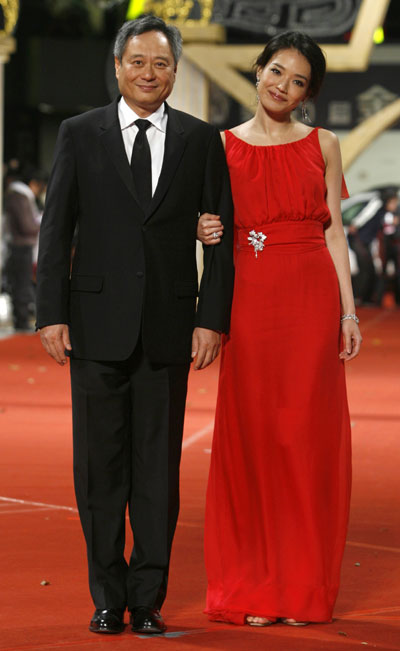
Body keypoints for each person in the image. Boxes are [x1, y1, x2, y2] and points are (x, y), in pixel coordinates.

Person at [36, 16, 234, 636]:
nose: (150, 74)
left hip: (169, 328)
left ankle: (147, 597)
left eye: (162, 64)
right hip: (94, 327)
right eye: (139, 62)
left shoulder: (203, 140)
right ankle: (105, 594)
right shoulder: (79, 132)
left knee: (156, 471)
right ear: (118, 66)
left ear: (176, 71)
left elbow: (219, 237)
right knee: (98, 471)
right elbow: (55, 229)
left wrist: (211, 320)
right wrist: (52, 312)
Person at [197, 31, 362, 626]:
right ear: (258, 69)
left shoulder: (325, 142)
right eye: (276, 72)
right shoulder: (220, 145)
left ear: (308, 92)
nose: (283, 87)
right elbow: (204, 219)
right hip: (249, 298)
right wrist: (204, 231)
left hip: (310, 298)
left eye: (298, 82)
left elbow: (336, 231)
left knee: (304, 441)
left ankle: (301, 585)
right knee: (255, 439)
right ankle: (255, 585)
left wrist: (348, 311)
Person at [4, 166, 47, 331]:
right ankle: (21, 323)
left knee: (22, 285)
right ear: (33, 183)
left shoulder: (18, 196)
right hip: (20, 247)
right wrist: (41, 224)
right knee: (21, 286)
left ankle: (21, 322)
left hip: (20, 247)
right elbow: (27, 226)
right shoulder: (20, 197)